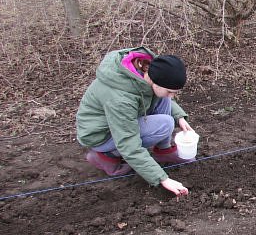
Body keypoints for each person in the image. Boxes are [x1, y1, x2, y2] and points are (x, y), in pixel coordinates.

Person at [76, 47, 194, 197]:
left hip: (117, 122)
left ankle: (163, 151)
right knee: (165, 123)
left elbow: (163, 96)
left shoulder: (147, 71)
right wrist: (162, 178)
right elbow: (128, 143)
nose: (173, 95)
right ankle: (107, 155)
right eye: (170, 91)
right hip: (99, 135)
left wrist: (179, 116)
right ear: (154, 81)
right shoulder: (121, 99)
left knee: (164, 100)